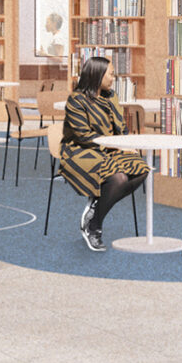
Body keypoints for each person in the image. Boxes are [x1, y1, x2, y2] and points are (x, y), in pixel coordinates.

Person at [59, 55, 149, 251]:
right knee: (118, 179)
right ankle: (94, 227)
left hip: (109, 148)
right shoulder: (76, 100)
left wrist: (125, 144)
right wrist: (117, 147)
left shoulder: (111, 97)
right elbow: (83, 136)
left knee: (142, 168)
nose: (113, 78)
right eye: (111, 74)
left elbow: (120, 127)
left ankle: (95, 208)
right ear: (97, 74)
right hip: (79, 151)